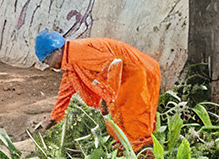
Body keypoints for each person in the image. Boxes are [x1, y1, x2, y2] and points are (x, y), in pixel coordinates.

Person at [34, 31, 163, 152]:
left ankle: (143, 155)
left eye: (47, 60)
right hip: (134, 71)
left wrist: (106, 97)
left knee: (134, 120)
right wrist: (53, 119)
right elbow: (66, 92)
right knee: (124, 119)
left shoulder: (79, 53)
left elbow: (114, 64)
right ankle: (135, 149)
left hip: (137, 72)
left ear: (57, 50)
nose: (49, 65)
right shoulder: (70, 60)